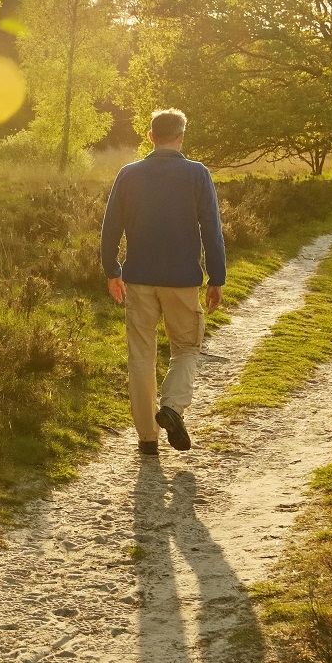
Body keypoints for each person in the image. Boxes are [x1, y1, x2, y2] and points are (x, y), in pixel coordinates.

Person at [99, 108, 226, 456]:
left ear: (151, 136)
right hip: (182, 279)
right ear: (181, 136)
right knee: (186, 347)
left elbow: (110, 228)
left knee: (141, 355)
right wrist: (217, 277)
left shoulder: (129, 174)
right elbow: (211, 231)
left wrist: (112, 271)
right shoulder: (197, 174)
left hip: (138, 278)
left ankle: (147, 439)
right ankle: (171, 406)